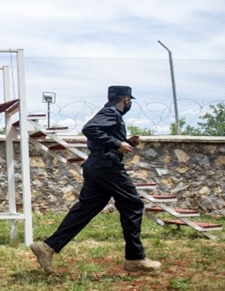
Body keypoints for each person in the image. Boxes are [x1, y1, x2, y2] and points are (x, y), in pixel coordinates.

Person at [30, 85, 161, 274]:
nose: (129, 103)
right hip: (107, 166)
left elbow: (101, 137)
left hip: (97, 165)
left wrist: (127, 143)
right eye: (129, 100)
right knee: (132, 205)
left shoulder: (108, 113)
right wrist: (117, 143)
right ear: (126, 99)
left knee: (86, 208)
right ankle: (135, 259)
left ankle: (47, 247)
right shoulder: (112, 112)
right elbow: (90, 129)